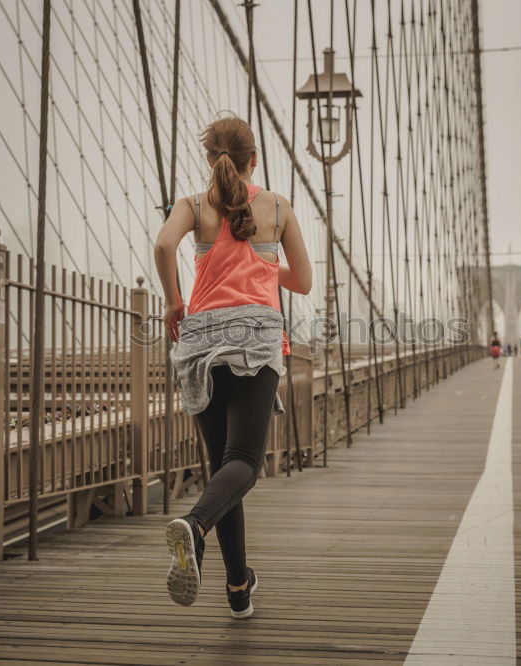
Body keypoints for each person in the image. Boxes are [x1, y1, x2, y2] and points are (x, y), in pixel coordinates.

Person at [153, 114, 312, 619]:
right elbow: (303, 282)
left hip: (198, 339)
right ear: (254, 160)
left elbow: (163, 245)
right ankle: (195, 526)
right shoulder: (278, 206)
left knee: (224, 466)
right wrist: (265, 263)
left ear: (210, 161)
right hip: (255, 338)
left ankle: (238, 588)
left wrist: (174, 301)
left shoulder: (194, 205)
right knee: (244, 462)